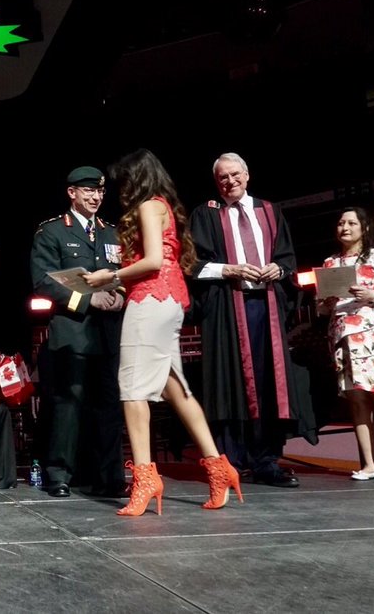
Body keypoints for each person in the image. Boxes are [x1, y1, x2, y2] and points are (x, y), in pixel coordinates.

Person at [84, 149, 242, 514]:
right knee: (176, 388)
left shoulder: (147, 207)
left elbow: (153, 260)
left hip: (151, 299)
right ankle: (220, 468)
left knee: (132, 388)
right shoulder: (163, 206)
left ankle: (145, 476)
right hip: (168, 299)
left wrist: (110, 276)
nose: (119, 189)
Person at [189, 152, 316, 488]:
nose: (229, 182)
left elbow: (287, 256)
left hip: (267, 306)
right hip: (228, 309)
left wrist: (281, 268)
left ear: (247, 175)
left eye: (234, 175)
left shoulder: (270, 211)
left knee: (268, 385)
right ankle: (233, 461)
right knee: (231, 383)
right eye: (222, 179)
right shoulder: (206, 214)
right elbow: (192, 263)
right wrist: (227, 269)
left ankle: (266, 460)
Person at [29, 166, 126, 498]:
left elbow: (125, 273)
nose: (96, 196)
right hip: (72, 331)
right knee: (67, 405)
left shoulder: (112, 232)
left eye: (99, 191)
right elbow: (43, 281)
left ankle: (110, 476)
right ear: (72, 193)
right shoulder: (53, 232)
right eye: (88, 191)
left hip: (109, 332)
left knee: (109, 405)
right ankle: (59, 474)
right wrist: (88, 300)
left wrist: (121, 296)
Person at [317, 207, 374, 483]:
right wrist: (326, 302)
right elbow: (321, 309)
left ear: (364, 228)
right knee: (356, 400)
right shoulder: (330, 263)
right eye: (341, 222)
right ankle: (368, 465)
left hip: (373, 333)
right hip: (342, 335)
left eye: (352, 222)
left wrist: (370, 294)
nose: (345, 226)